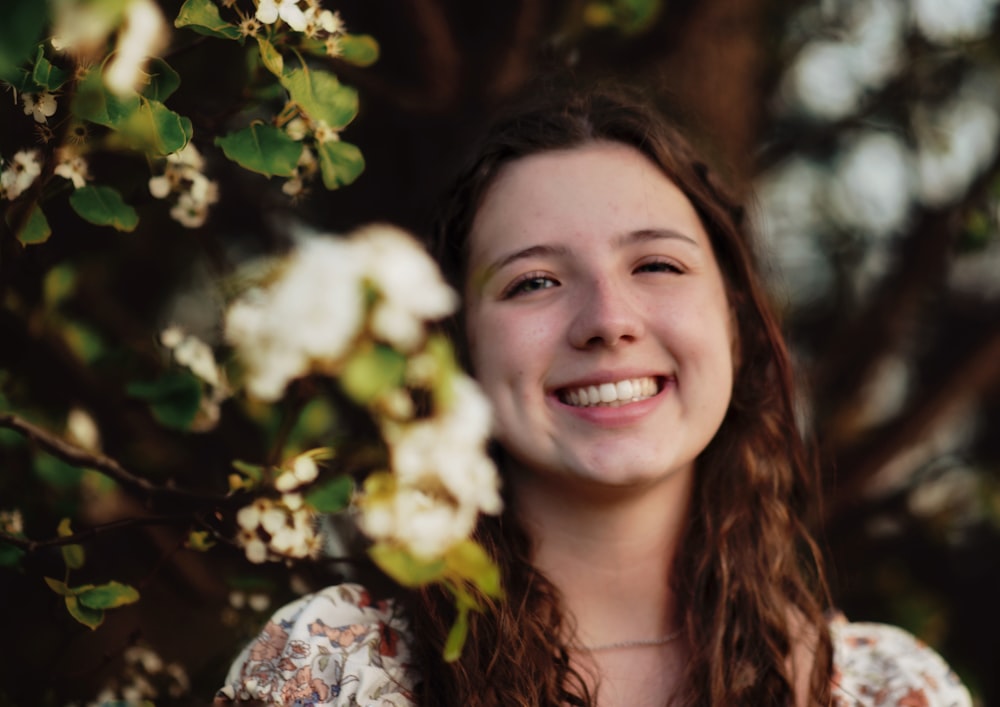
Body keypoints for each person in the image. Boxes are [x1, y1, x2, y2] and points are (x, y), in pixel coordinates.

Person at [215, 82, 973, 706]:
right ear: (459, 351)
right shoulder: (331, 673)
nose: (609, 321)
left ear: (735, 323)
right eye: (533, 281)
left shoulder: (893, 689)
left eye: (657, 266)